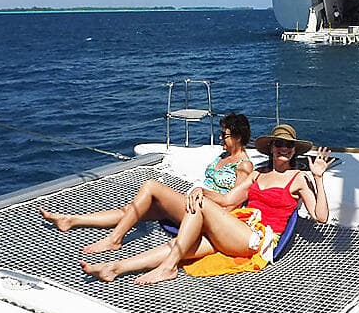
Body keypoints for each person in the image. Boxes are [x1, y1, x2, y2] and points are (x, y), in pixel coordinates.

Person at [80, 123, 333, 285]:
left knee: (197, 212)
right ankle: (115, 268)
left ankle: (167, 268)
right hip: (237, 228)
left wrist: (319, 178)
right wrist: (201, 190)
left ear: (294, 151)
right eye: (279, 144)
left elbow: (320, 217)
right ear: (272, 148)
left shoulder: (298, 178)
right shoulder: (258, 173)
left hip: (257, 238)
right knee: (180, 244)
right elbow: (227, 199)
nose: (284, 149)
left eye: (289, 146)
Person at [39, 113, 253, 254]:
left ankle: (115, 239)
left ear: (238, 136)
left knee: (151, 186)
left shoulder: (244, 166)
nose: (220, 138)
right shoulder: (222, 156)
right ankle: (71, 220)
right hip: (193, 202)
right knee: (133, 210)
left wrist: (203, 194)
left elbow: (231, 204)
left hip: (205, 211)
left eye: (224, 135)